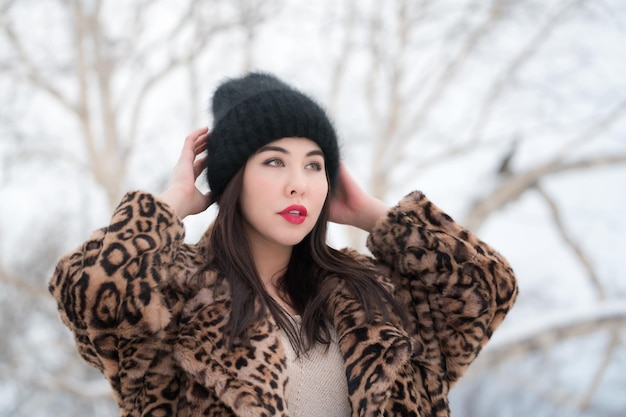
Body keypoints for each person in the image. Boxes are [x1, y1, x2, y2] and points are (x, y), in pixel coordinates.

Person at [49, 72, 518, 417]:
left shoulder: (372, 297)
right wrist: (171, 203)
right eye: (275, 162)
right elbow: (91, 290)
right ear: (234, 179)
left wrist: (375, 215)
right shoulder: (176, 301)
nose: (299, 184)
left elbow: (486, 288)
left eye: (314, 165)